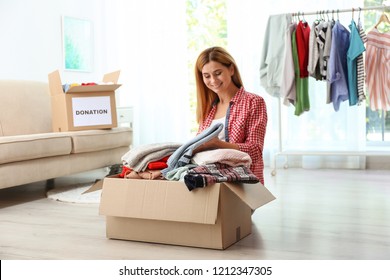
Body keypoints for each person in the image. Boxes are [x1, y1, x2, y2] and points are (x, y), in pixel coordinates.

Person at [193, 46, 268, 185]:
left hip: (242, 183)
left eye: (218, 73)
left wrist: (218, 144)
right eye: (207, 76)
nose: (213, 80)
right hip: (211, 181)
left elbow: (255, 151)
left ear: (231, 70)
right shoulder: (208, 109)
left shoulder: (253, 102)